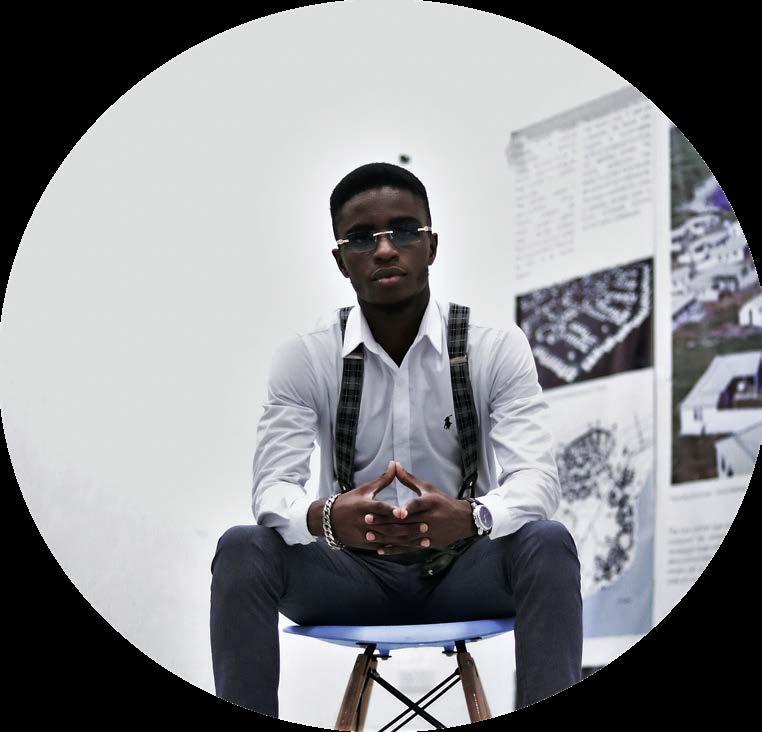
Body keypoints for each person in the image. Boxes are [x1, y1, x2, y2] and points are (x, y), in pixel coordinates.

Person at [210, 162, 583, 718]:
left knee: (548, 542)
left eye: (404, 231)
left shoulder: (494, 346)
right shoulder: (306, 356)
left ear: (431, 246)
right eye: (362, 238)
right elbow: (272, 490)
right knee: (242, 548)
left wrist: (472, 517)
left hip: (465, 573)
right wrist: (326, 518)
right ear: (341, 261)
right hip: (350, 578)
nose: (385, 250)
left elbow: (537, 480)